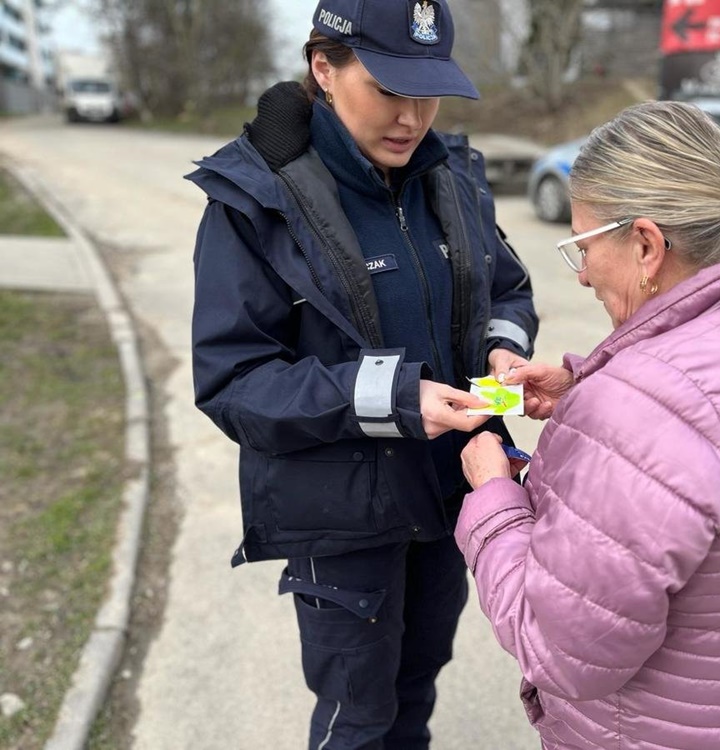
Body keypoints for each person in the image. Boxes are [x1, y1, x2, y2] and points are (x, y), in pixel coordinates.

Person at [457, 101, 720, 749]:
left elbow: (562, 650)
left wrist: (494, 500)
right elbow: (719, 441)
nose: (585, 272)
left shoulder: (641, 412)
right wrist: (586, 384)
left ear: (646, 244)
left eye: (584, 247)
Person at [187, 0, 538, 746]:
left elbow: (506, 287)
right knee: (358, 718)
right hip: (345, 521)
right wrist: (390, 396)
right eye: (388, 88)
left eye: (428, 90)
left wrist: (503, 349)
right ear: (324, 67)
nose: (412, 116)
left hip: (450, 500)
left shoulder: (456, 176)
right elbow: (234, 380)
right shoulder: (254, 201)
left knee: (415, 692)